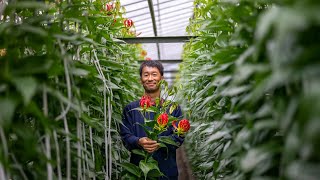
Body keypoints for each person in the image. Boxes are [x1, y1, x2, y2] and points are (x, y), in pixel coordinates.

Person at [120, 60, 184, 180]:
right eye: (146, 75)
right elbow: (125, 135)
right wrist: (139, 141)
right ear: (140, 80)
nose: (150, 78)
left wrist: (159, 143)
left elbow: (178, 137)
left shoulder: (172, 108)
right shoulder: (131, 109)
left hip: (166, 171)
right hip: (138, 171)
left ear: (162, 79)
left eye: (154, 74)